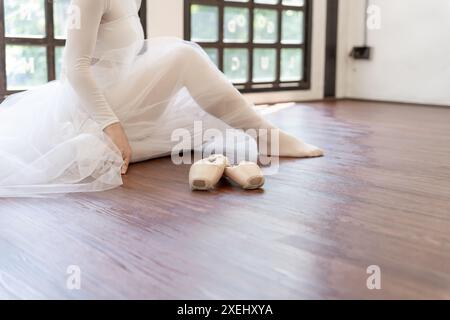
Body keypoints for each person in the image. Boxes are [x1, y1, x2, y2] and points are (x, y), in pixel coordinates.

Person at [0, 0, 322, 197]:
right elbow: (75, 66)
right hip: (93, 104)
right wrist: (111, 125)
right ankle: (268, 136)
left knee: (199, 113)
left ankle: (263, 135)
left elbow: (123, 55)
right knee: (183, 56)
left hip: (120, 93)